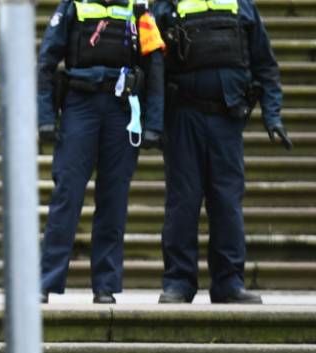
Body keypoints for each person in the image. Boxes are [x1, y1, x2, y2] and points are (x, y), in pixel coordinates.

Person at [152, 0, 290, 303]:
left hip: (227, 119)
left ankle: (229, 283)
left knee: (227, 202)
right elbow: (151, 63)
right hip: (183, 116)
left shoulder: (241, 6)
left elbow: (265, 65)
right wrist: (153, 122)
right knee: (182, 203)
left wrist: (273, 116)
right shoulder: (167, 6)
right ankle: (178, 282)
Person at [38, 0, 166, 304]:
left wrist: (154, 123)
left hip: (122, 109)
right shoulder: (73, 5)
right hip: (79, 106)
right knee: (67, 193)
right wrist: (44, 118)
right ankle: (45, 281)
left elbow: (154, 65)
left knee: (114, 199)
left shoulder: (138, 8)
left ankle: (105, 285)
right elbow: (46, 62)